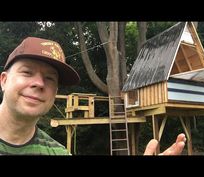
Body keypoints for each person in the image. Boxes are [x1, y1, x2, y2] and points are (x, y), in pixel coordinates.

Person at [0, 37, 186, 155]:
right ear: (3, 80)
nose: (39, 83)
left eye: (49, 78)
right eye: (27, 72)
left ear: (55, 92)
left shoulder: (58, 152)